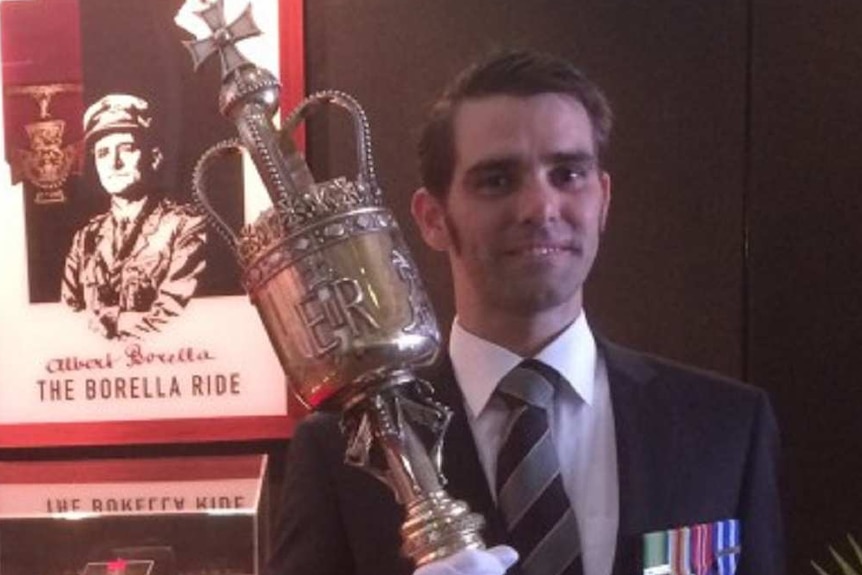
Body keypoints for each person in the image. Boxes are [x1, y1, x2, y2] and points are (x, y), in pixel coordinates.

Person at [267, 50, 783, 575]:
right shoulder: (343, 450)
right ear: (432, 218)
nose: (540, 207)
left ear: (602, 199)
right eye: (497, 180)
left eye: (568, 173)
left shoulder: (722, 427)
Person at [61, 94, 207, 340]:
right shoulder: (85, 239)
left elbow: (174, 318)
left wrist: (108, 321)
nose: (114, 163)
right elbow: (65, 322)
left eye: (126, 149)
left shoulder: (185, 227)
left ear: (154, 157)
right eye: (103, 153)